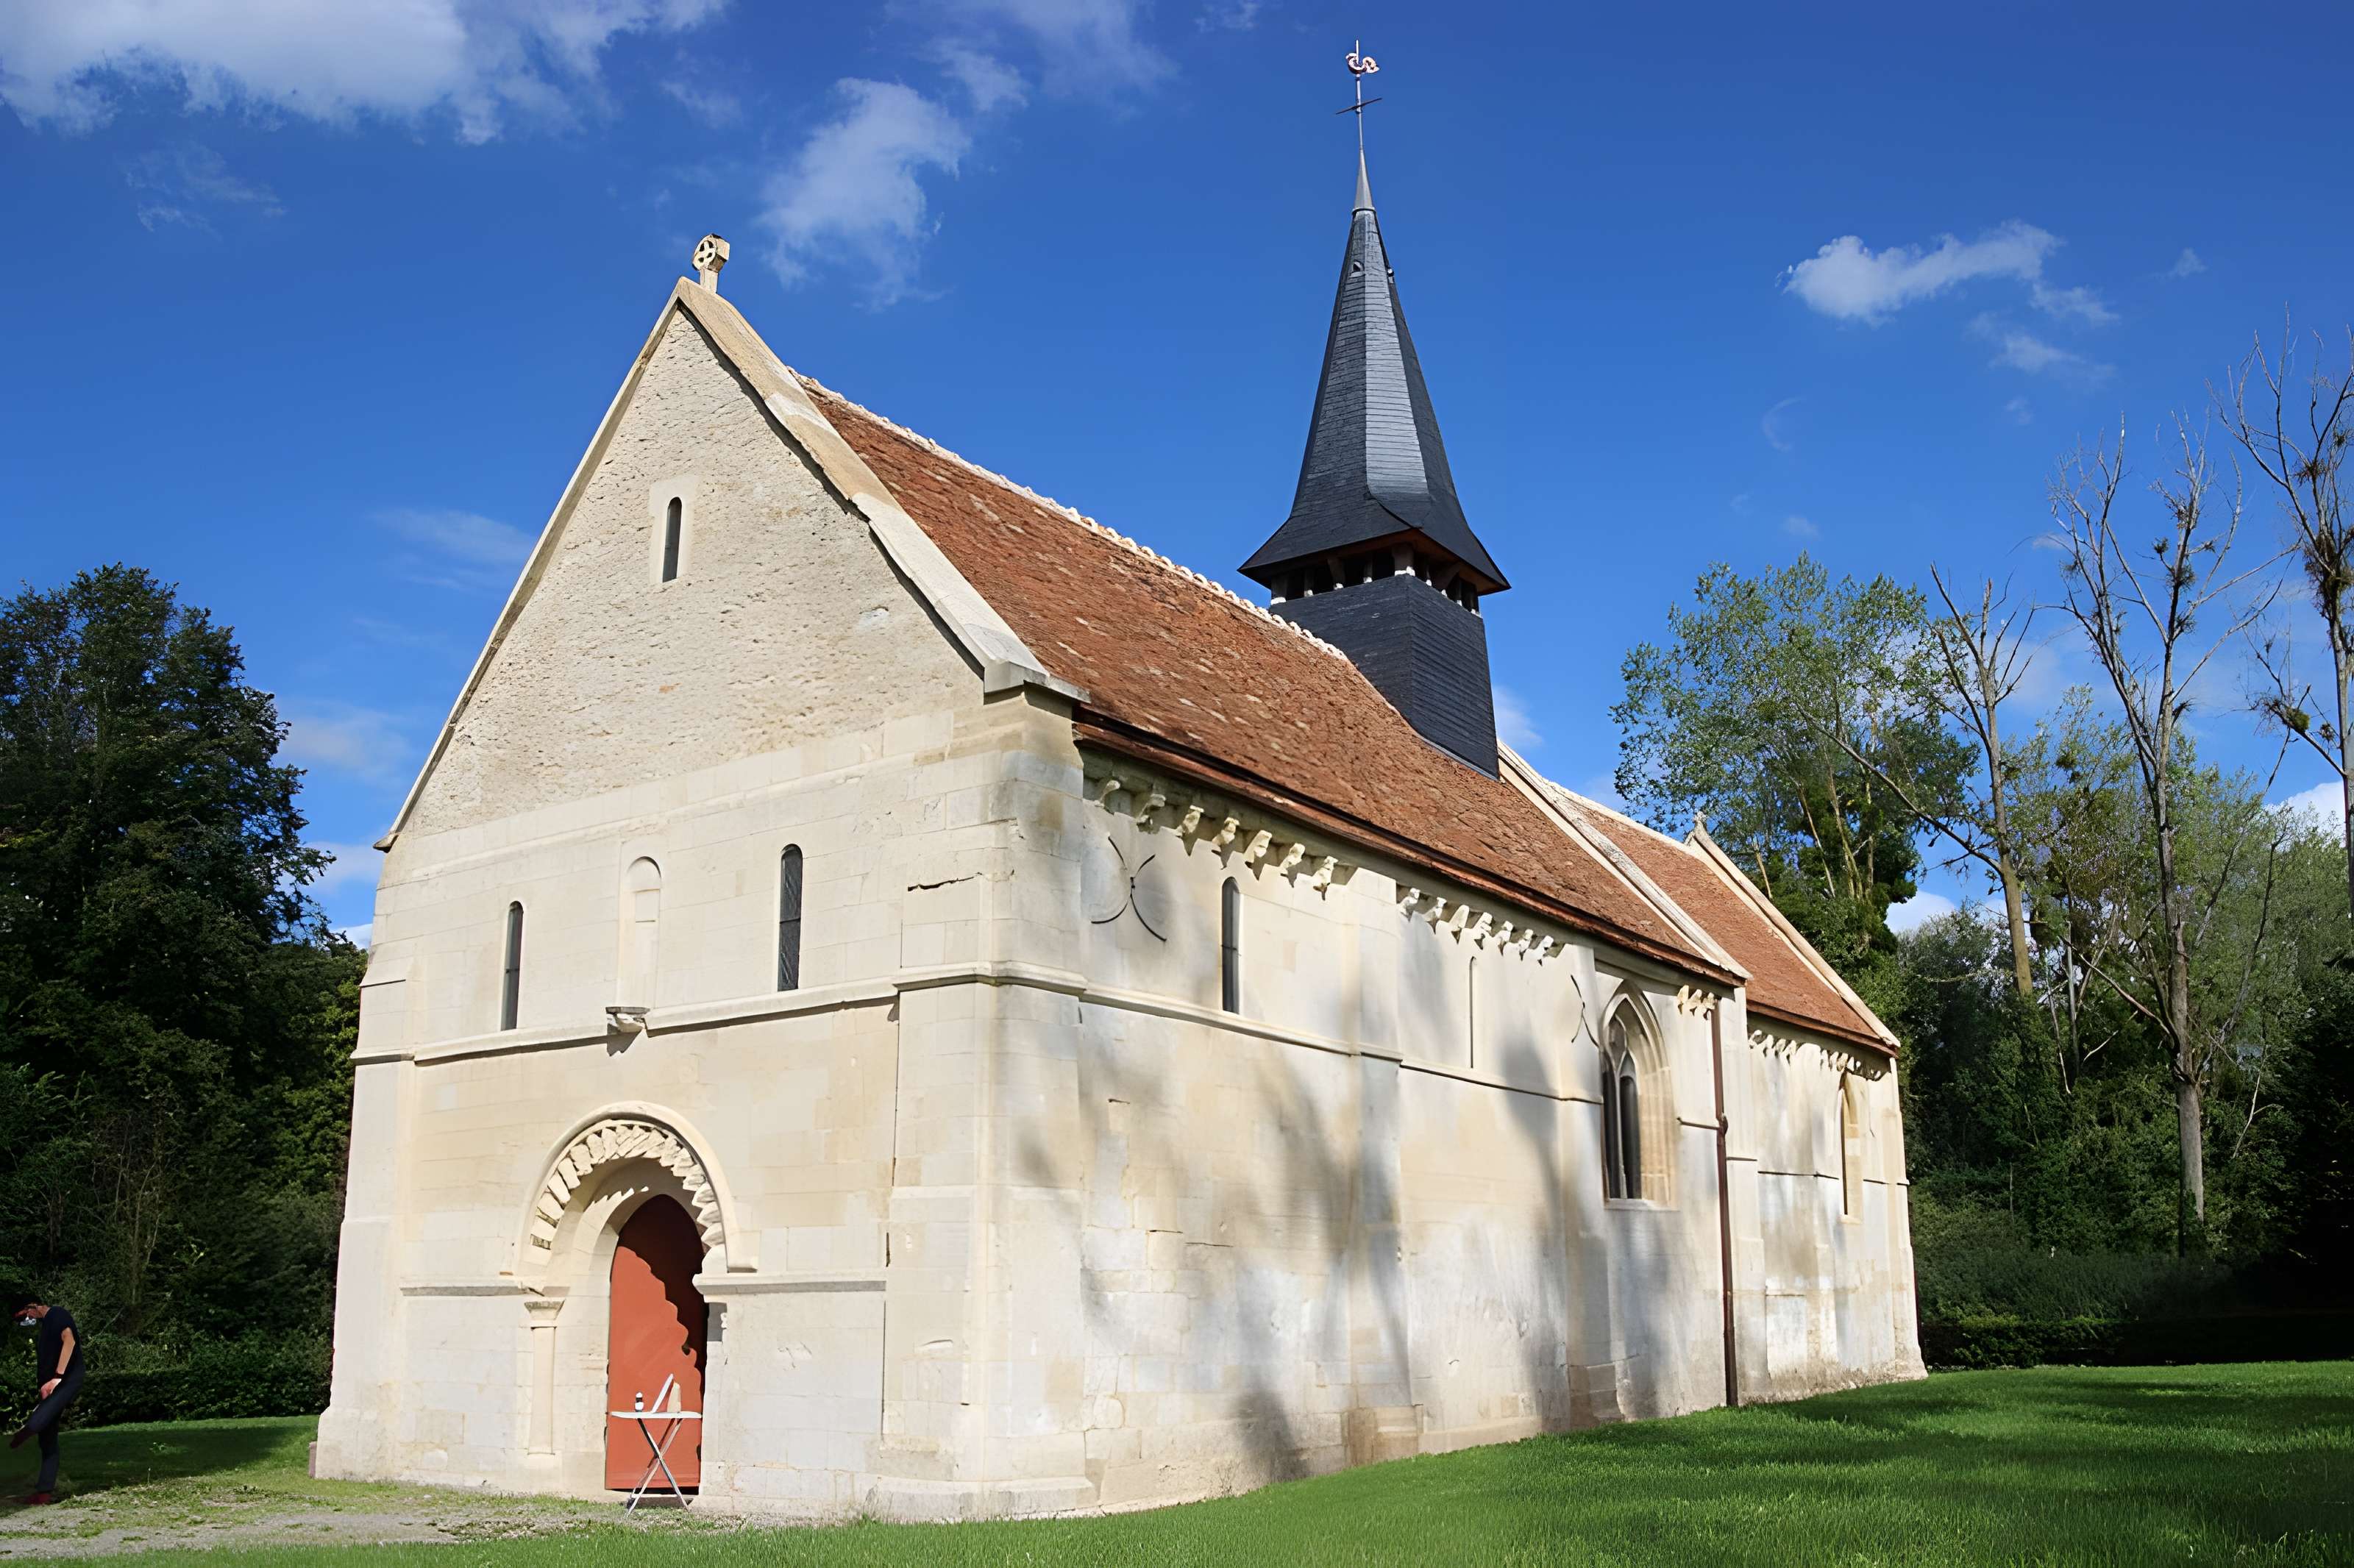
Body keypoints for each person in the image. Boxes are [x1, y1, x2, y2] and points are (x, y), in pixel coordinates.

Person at [8, 1301, 84, 1505]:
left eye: (25, 1316)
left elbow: (70, 1341)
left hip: (66, 1380)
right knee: (47, 1439)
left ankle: (25, 1432)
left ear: (33, 1307)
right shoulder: (46, 1325)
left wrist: (58, 1377)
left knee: (39, 1421)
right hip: (50, 1385)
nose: (27, 1321)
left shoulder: (57, 1314)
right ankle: (44, 1493)